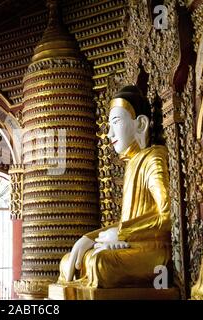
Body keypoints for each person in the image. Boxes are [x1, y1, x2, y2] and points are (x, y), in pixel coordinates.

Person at [57, 86, 172, 289]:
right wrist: (89, 238)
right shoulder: (131, 164)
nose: (109, 134)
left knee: (100, 264)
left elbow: (168, 214)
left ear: (141, 124)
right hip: (133, 245)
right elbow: (126, 223)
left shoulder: (153, 157)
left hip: (153, 249)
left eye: (116, 122)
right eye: (109, 126)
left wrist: (122, 234)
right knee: (69, 261)